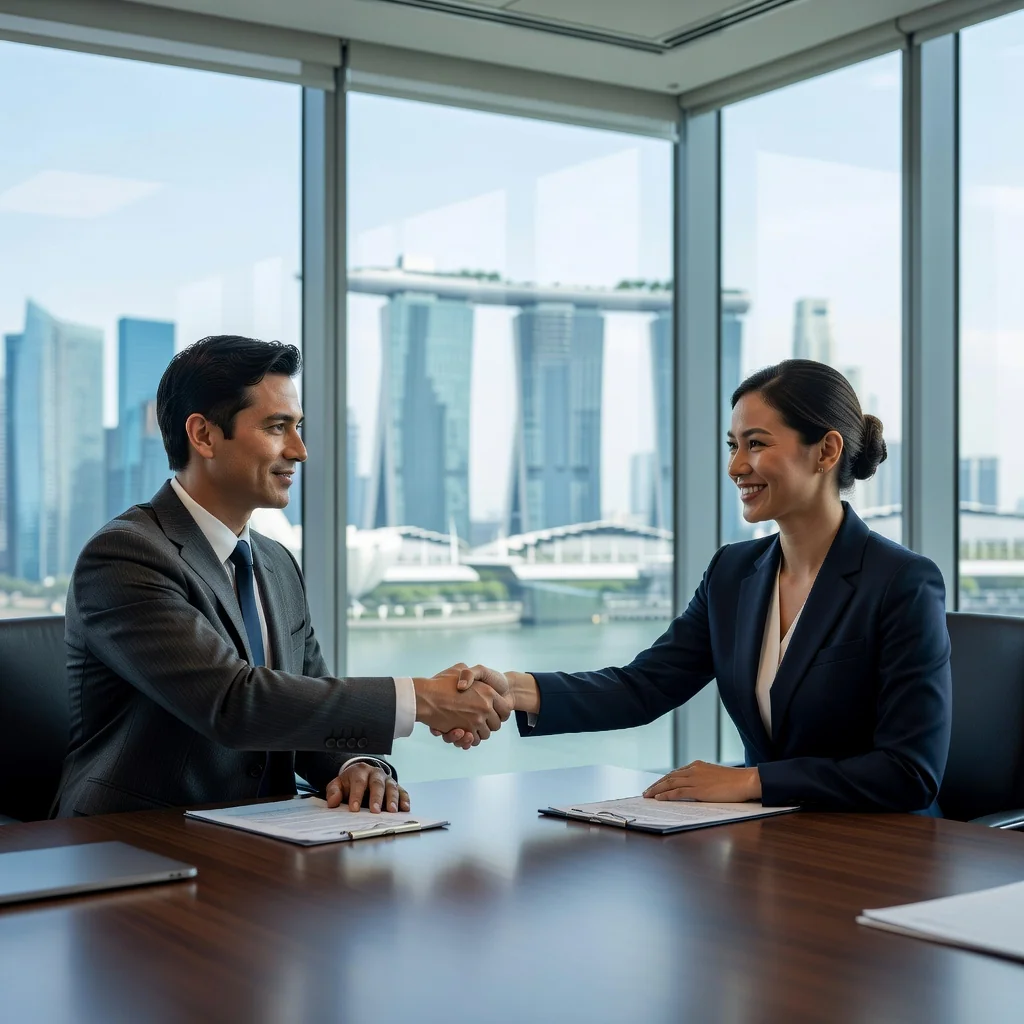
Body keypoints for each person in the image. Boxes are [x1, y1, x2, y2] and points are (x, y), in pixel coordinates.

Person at [442, 360, 952, 814]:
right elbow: (641, 688)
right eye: (733, 446)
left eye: (756, 444)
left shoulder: (901, 582)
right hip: (771, 842)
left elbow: (909, 774)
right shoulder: (733, 574)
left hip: (880, 850)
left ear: (827, 451)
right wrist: (516, 688)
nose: (735, 468)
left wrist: (751, 780)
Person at [52, 335, 510, 818]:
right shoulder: (125, 555)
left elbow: (306, 699)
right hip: (133, 843)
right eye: (277, 427)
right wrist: (421, 699)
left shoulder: (275, 562)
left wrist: (354, 763)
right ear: (203, 435)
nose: (300, 451)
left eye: (298, 427)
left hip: (261, 836)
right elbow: (232, 703)